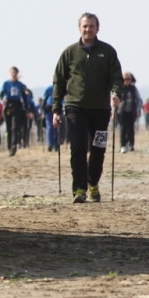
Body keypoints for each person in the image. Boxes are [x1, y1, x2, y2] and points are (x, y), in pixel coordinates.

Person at [52, 12, 123, 204]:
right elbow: (58, 81)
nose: (88, 29)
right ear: (79, 28)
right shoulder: (70, 52)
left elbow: (116, 77)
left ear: (97, 29)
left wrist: (116, 93)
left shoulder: (108, 52)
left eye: (91, 26)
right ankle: (79, 189)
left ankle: (93, 183)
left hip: (101, 110)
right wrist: (56, 109)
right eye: (85, 26)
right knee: (78, 148)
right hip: (75, 108)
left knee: (98, 149)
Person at [0, 66, 28, 156]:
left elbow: (24, 97)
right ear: (10, 73)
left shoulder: (20, 84)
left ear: (17, 74)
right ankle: (9, 147)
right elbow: (1, 94)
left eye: (15, 73)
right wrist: (3, 99)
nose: (14, 74)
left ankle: (13, 145)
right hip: (8, 106)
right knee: (8, 128)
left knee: (15, 127)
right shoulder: (6, 84)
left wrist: (26, 109)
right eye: (12, 73)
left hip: (17, 106)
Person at [118, 72, 142, 153]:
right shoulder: (120, 88)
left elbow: (139, 99)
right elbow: (114, 100)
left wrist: (138, 109)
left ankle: (131, 144)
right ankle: (123, 145)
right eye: (124, 79)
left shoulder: (133, 88)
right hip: (121, 112)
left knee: (131, 129)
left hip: (131, 112)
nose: (126, 81)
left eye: (128, 79)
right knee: (123, 128)